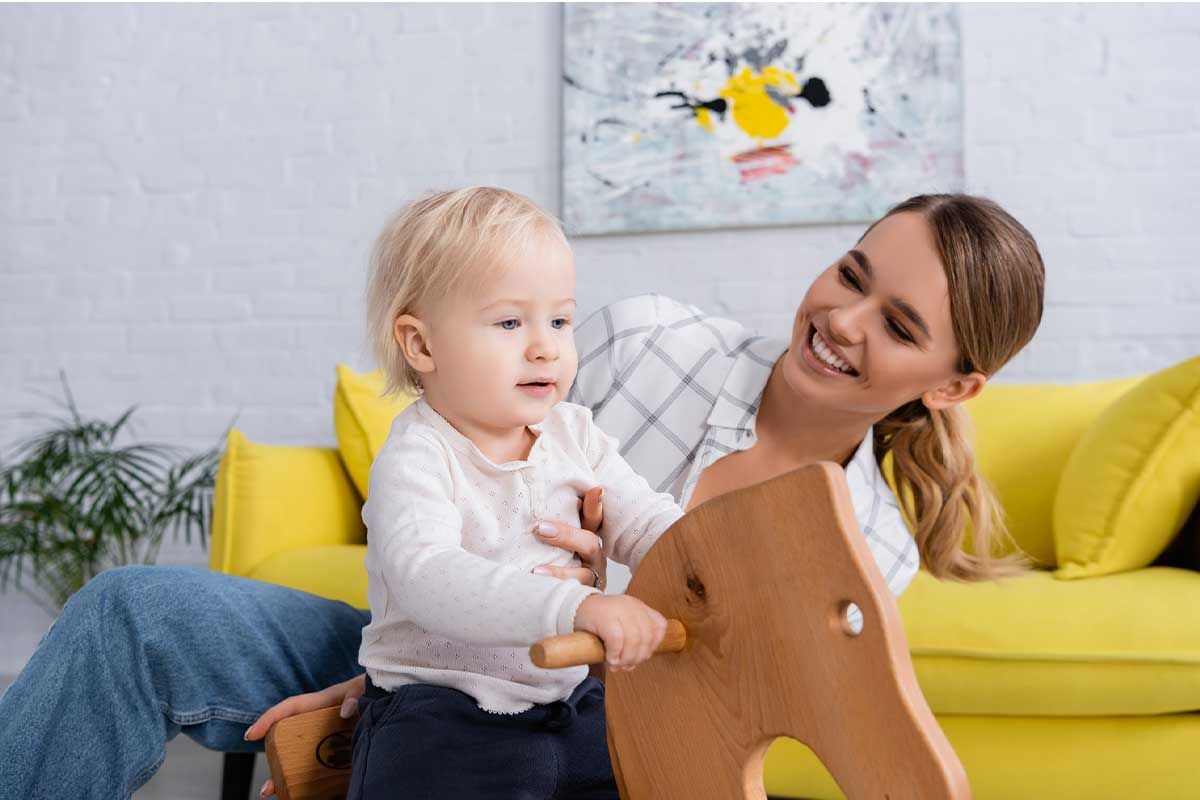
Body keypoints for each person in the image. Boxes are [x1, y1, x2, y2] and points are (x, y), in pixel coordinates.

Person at [0, 192, 1044, 800]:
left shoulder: (867, 549)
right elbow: (454, 492)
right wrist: (392, 684)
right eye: (851, 271)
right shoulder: (645, 340)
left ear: (953, 384)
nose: (843, 318)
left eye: (899, 324)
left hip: (582, 732)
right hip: (429, 657)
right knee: (135, 612)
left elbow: (714, 716)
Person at [350, 186, 684, 797]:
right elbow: (428, 577)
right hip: (441, 718)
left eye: (559, 320)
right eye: (509, 322)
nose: (545, 345)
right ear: (421, 345)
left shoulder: (574, 431)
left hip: (568, 701)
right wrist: (577, 609)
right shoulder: (419, 455)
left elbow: (645, 522)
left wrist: (721, 559)